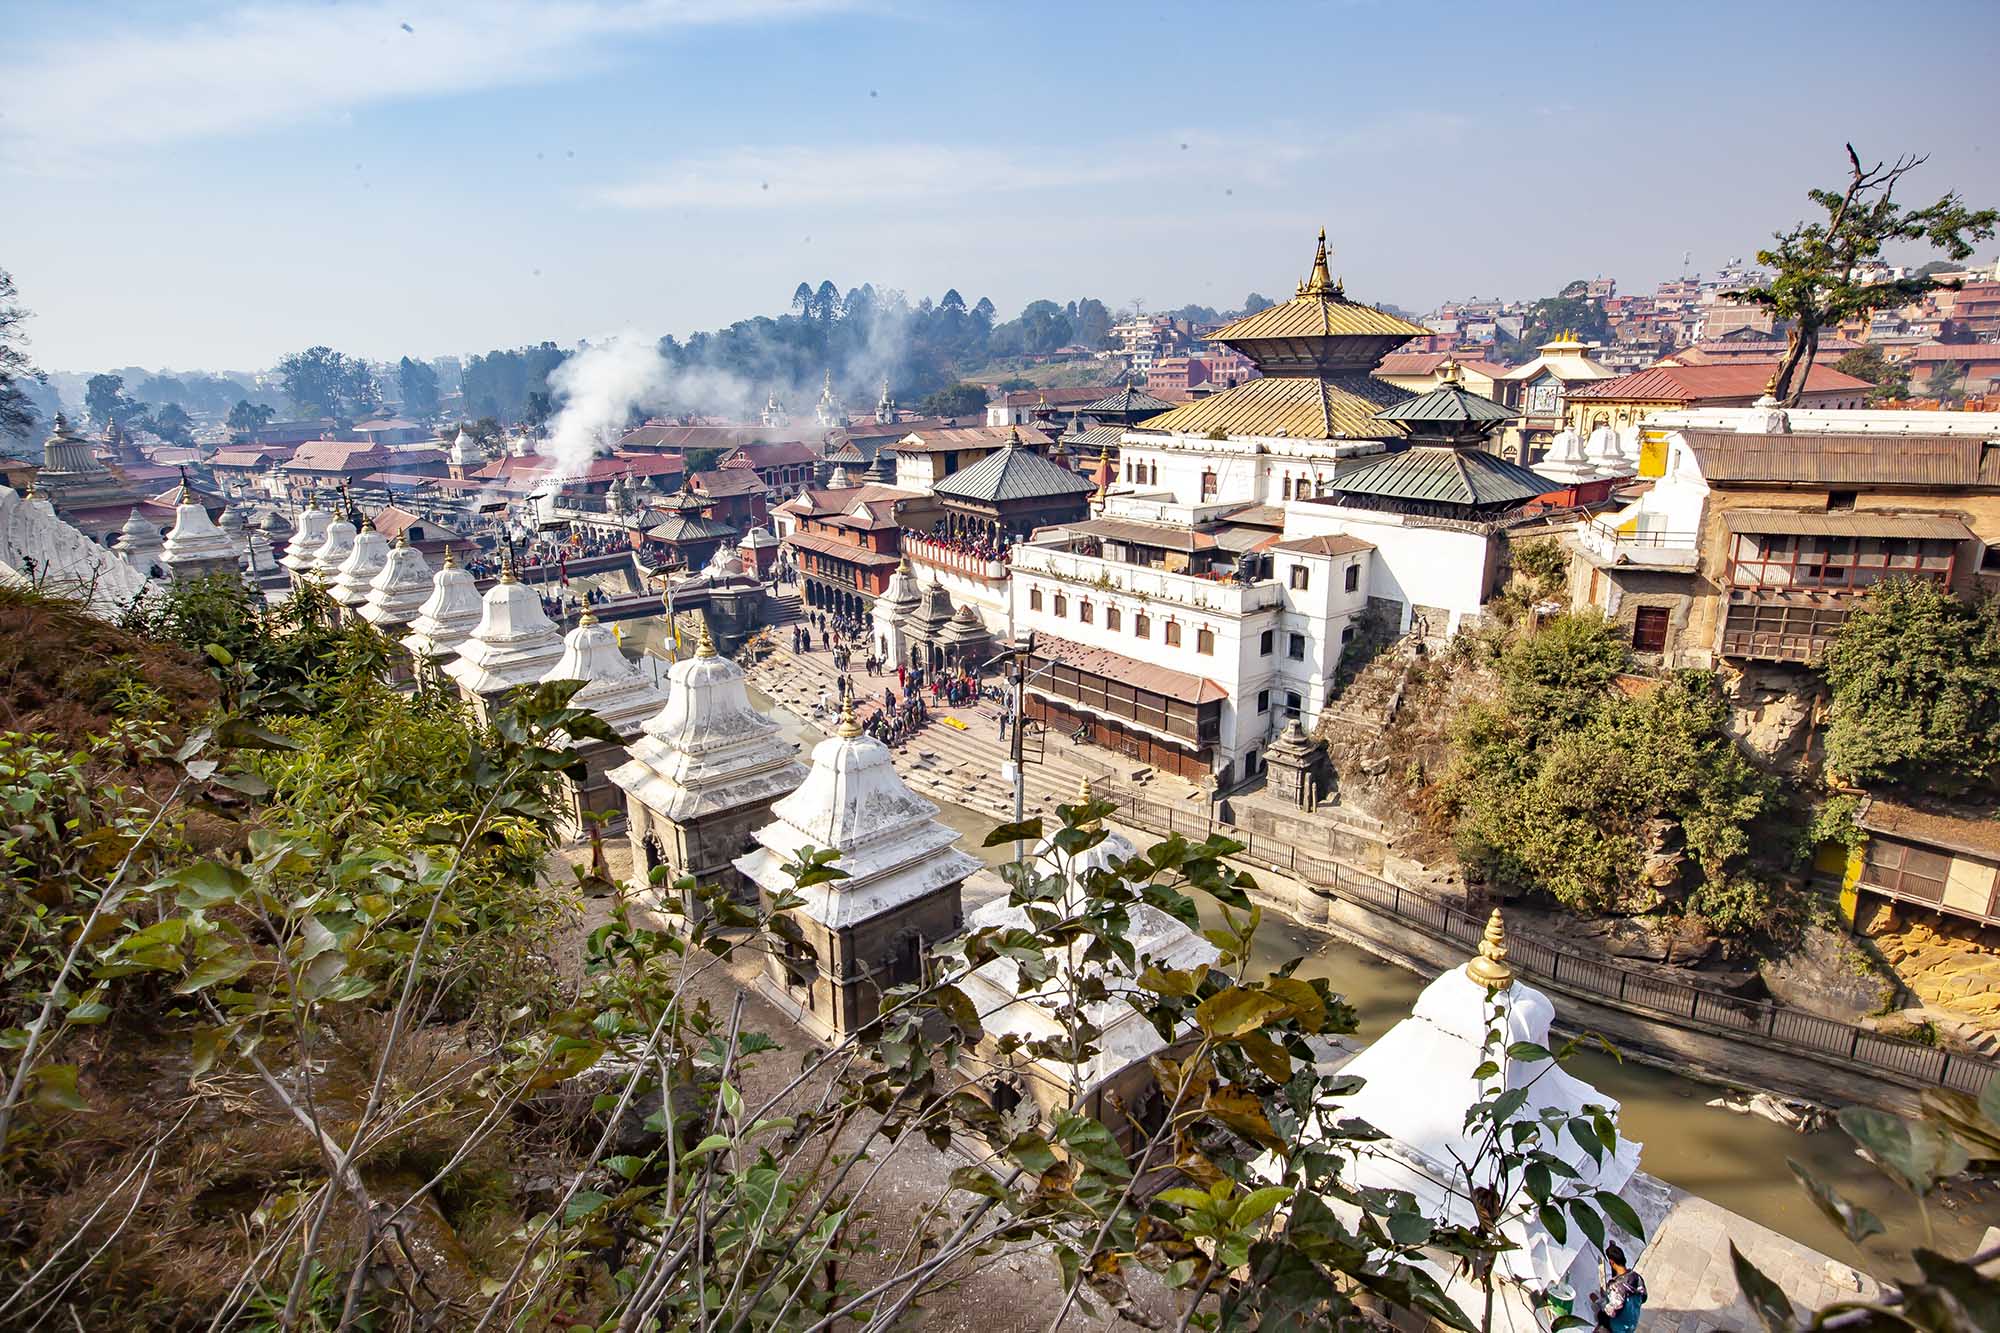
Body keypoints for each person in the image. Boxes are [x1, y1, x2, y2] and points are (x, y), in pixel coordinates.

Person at [1592, 1244, 1646, 1333]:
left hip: (1620, 1327)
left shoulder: (1617, 1287)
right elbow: (1644, 1298)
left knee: (1601, 1316)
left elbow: (1611, 1311)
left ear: (1612, 1262)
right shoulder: (1637, 1277)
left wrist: (1597, 1300)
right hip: (1632, 1323)